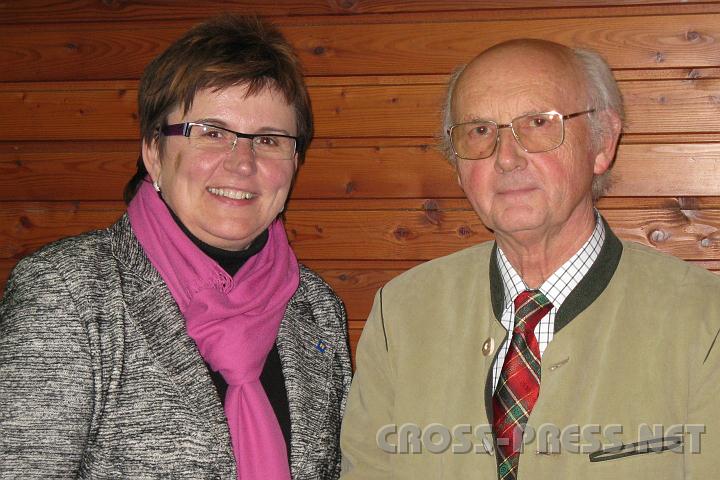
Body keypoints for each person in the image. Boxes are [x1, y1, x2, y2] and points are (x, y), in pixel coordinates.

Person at [340, 39, 720, 479]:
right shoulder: (400, 314)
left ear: (603, 142)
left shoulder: (704, 320)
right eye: (480, 131)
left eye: (539, 123)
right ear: (458, 164)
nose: (506, 157)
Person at [0, 15, 351, 480]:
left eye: (267, 139)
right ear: (152, 152)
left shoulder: (317, 309)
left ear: (294, 162)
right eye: (211, 132)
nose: (241, 162)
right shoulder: (67, 293)